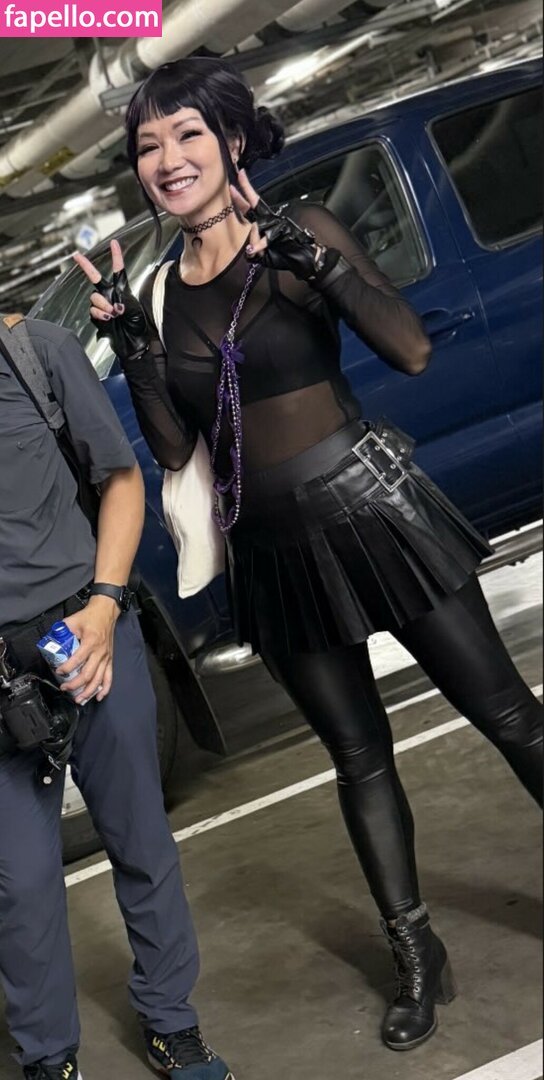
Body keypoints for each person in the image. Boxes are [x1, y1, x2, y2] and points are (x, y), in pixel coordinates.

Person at [76, 56, 543, 1055]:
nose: (168, 158)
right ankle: (416, 953)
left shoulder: (301, 233)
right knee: (357, 756)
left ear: (231, 143)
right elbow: (176, 452)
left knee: (507, 712)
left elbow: (410, 348)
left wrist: (318, 261)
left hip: (374, 508)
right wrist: (138, 352)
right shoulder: (156, 295)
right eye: (148, 145)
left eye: (187, 135)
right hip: (271, 552)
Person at [0, 314, 234, 1080]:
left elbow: (122, 480)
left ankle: (172, 1021)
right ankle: (48, 1058)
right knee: (20, 882)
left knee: (139, 839)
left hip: (86, 632)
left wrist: (103, 607)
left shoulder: (37, 353)